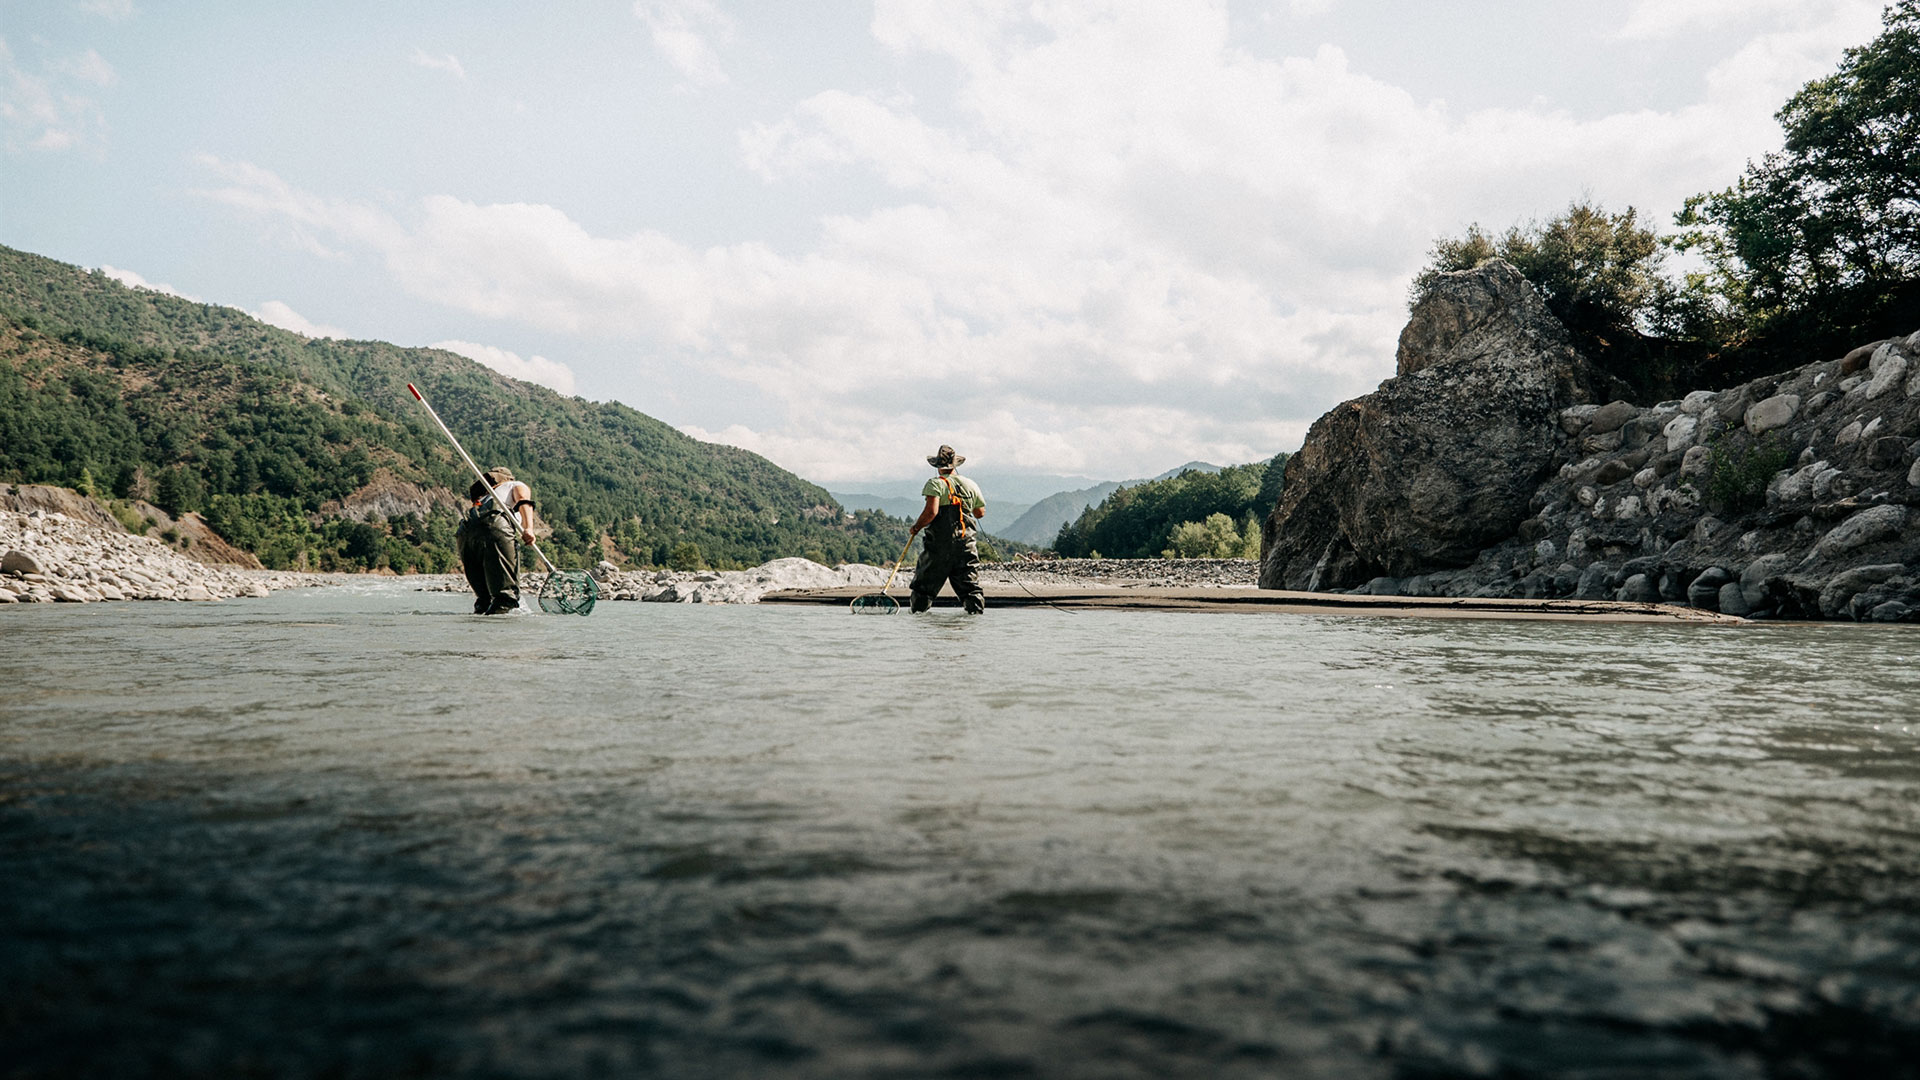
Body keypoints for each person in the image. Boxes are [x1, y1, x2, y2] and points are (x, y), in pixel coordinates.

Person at [908, 445, 987, 614]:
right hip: (966, 544)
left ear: (937, 466)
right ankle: (975, 620)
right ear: (955, 465)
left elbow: (931, 512)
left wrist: (916, 527)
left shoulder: (935, 484)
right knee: (970, 588)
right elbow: (980, 513)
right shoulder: (970, 484)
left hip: (939, 546)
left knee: (924, 587)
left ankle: (919, 619)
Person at [455, 465, 535, 614]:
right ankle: (500, 625)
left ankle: (479, 624)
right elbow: (523, 501)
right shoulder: (515, 484)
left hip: (465, 533)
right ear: (508, 478)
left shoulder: (483, 498)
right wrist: (528, 528)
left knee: (484, 599)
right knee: (505, 597)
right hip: (494, 526)